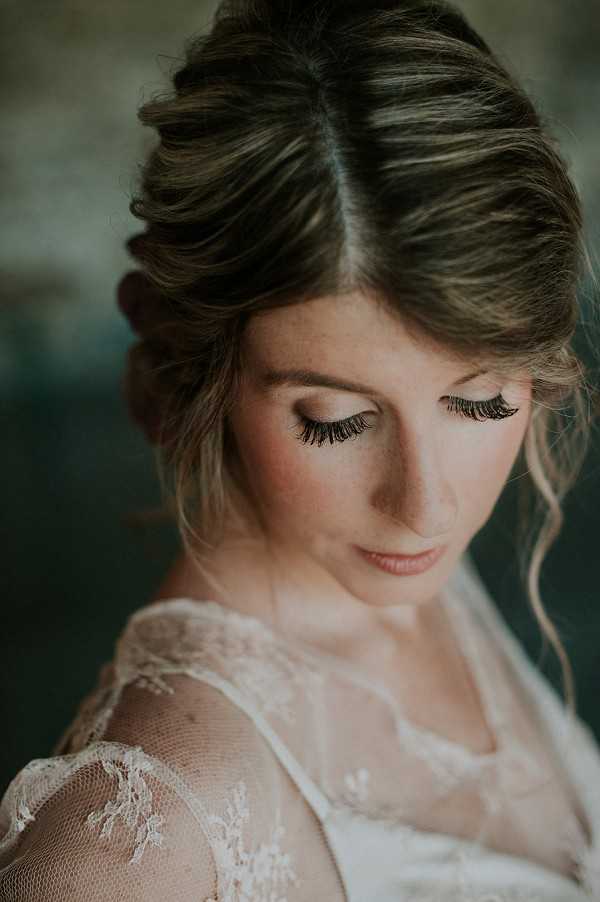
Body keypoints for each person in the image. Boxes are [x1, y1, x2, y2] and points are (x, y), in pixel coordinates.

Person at [1, 0, 600, 898]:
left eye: (479, 402)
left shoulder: (403, 576)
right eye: (335, 420)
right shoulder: (131, 849)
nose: (426, 507)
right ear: (203, 372)